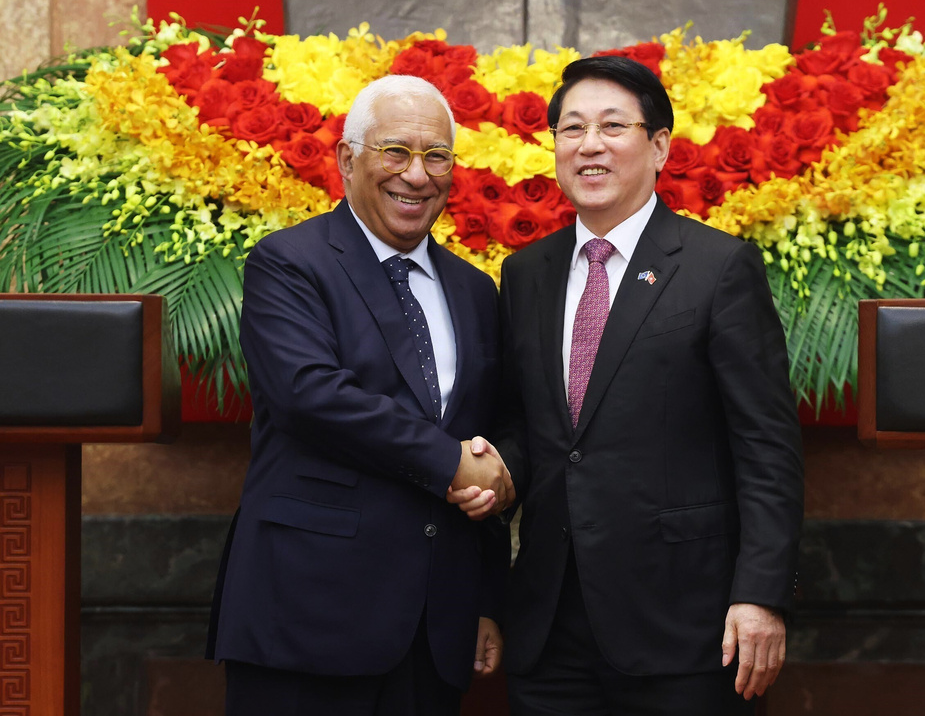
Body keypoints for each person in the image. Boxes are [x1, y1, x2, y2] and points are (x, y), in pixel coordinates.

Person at [454, 55, 804, 715]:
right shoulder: (527, 272)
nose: (589, 144)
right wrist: (495, 472)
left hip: (684, 624)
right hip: (550, 624)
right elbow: (526, 428)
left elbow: (767, 449)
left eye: (613, 126)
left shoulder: (717, 267)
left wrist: (760, 594)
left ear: (660, 146)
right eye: (571, 127)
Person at [206, 74, 513, 716]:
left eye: (436, 156)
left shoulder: (475, 290)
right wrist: (451, 462)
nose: (417, 175)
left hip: (434, 629)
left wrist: (485, 597)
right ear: (348, 159)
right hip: (308, 615)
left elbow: (489, 428)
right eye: (395, 151)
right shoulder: (289, 263)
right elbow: (309, 394)